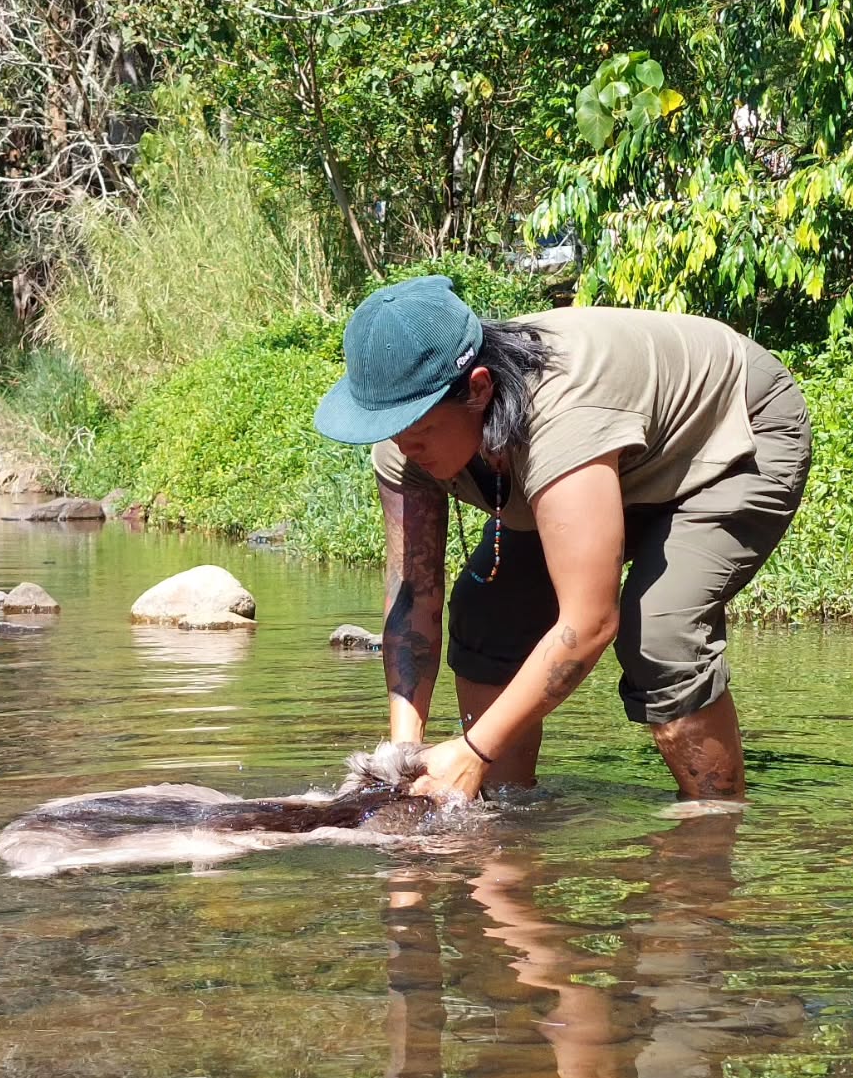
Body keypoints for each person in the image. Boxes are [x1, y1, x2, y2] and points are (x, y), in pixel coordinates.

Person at [313, 274, 811, 804]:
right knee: (487, 615)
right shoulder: (405, 440)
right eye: (389, 427)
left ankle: (712, 832)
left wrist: (472, 749)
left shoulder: (564, 408)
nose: (404, 446)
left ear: (478, 389)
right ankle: (499, 812)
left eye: (418, 429)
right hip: (599, 454)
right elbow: (414, 594)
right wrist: (402, 759)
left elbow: (589, 621)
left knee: (660, 632)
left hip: (729, 436)